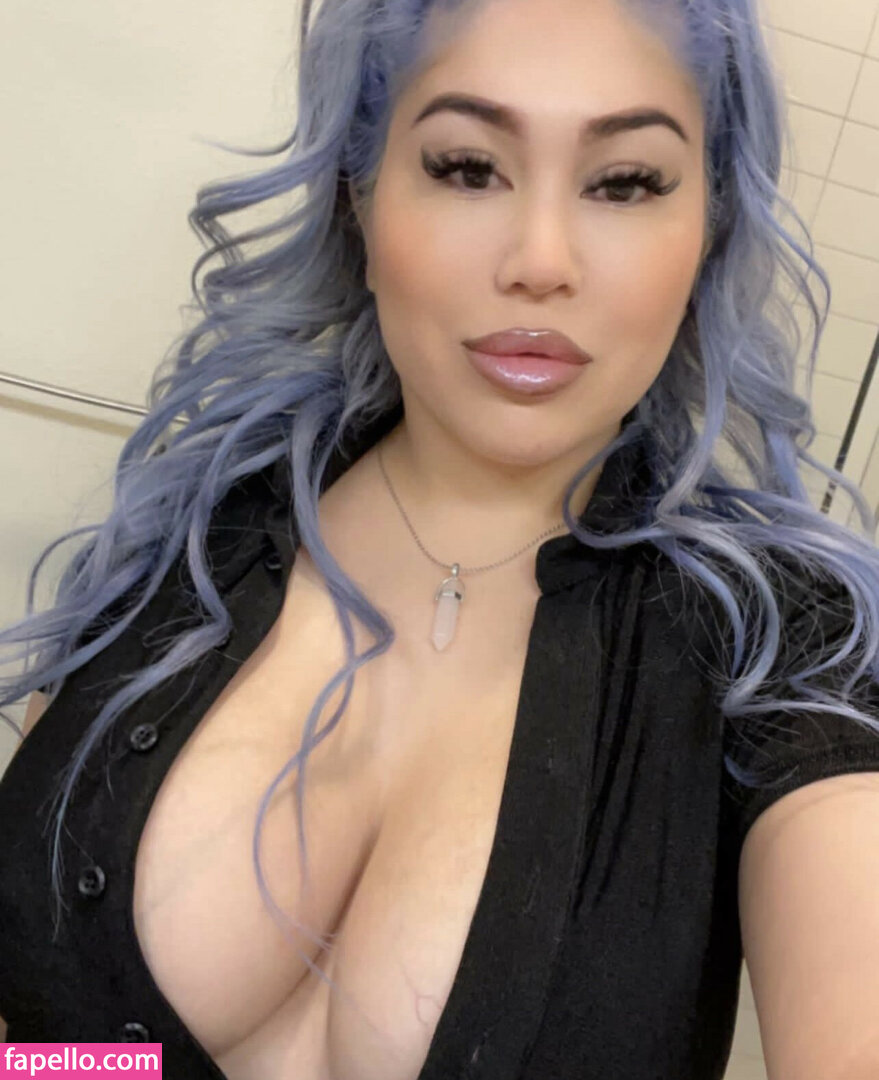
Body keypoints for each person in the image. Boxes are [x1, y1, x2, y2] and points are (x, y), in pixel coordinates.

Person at [2, 0, 879, 1077]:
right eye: (467, 167)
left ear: (708, 232)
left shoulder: (789, 647)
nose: (541, 259)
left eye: (624, 183)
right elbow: (36, 1040)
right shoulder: (185, 534)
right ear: (360, 198)